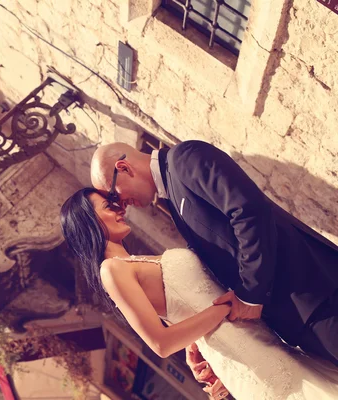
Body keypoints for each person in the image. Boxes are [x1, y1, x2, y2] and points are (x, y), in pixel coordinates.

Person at [60, 188, 338, 399]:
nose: (120, 209)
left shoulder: (139, 261)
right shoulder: (111, 269)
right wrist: (226, 306)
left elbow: (182, 310)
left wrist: (197, 352)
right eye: (108, 207)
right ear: (89, 222)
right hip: (253, 359)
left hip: (264, 340)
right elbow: (160, 343)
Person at [89, 140, 338, 364]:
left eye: (113, 196)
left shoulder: (185, 158)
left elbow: (249, 212)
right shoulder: (172, 200)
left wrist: (251, 293)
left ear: (123, 167)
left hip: (314, 291)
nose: (121, 206)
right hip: (297, 319)